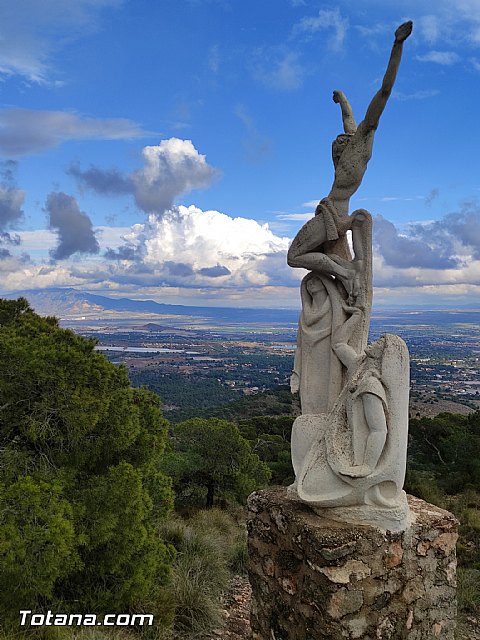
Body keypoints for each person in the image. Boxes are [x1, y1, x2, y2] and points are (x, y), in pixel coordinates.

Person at [287, 21, 413, 301]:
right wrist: (343, 100)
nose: (336, 146)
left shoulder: (357, 150)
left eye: (340, 143)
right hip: (332, 210)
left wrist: (397, 45)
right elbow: (349, 121)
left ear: (351, 144)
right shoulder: (350, 150)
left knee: (294, 256)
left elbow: (384, 92)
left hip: (333, 213)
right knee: (299, 255)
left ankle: (344, 272)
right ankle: (342, 272)